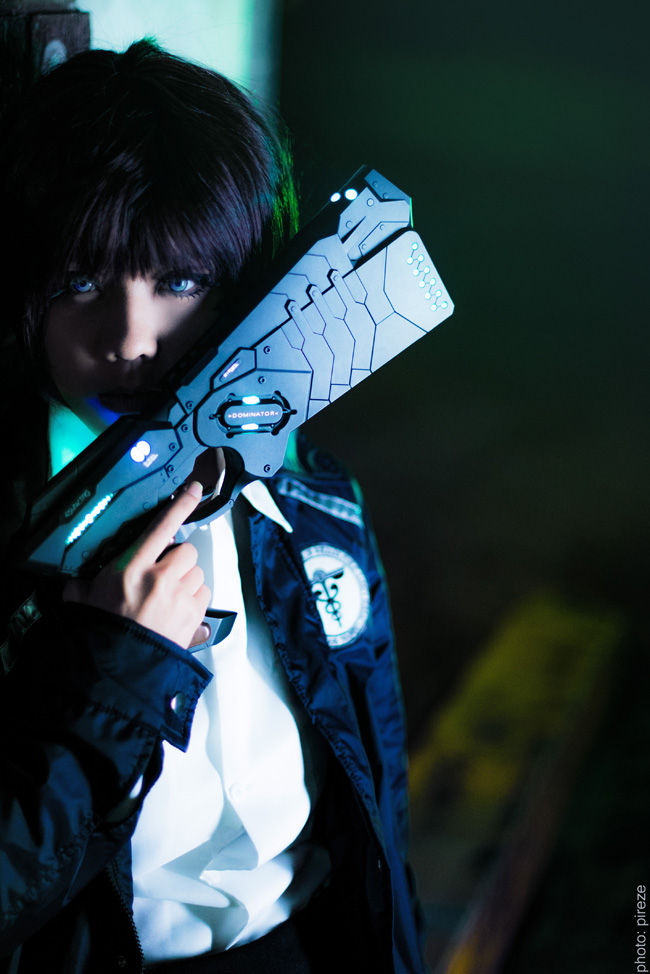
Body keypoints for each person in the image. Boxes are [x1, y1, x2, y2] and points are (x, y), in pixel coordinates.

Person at [0, 39, 426, 974]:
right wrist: (112, 673)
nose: (131, 338)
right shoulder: (18, 543)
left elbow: (378, 795)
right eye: (80, 283)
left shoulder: (315, 497)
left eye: (179, 281)